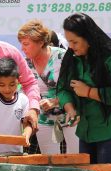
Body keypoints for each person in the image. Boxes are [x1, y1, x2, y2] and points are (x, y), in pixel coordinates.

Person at [57, 13, 111, 171]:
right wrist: (70, 108)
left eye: (75, 42)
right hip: (87, 129)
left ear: (89, 38)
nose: (70, 46)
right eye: (68, 41)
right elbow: (63, 88)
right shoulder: (72, 56)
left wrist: (89, 92)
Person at [18, 19, 79, 154]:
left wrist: (55, 101)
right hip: (43, 119)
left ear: (40, 42)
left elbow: (76, 85)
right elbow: (22, 92)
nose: (23, 48)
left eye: (26, 44)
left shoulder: (62, 57)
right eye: (21, 44)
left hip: (70, 113)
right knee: (49, 161)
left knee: (78, 157)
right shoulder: (25, 64)